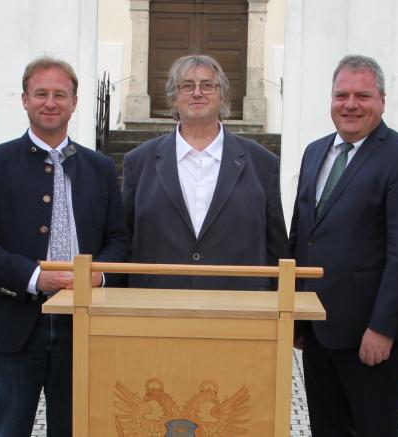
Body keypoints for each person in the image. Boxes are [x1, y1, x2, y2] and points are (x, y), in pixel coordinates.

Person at [0, 56, 129, 437]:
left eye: (60, 95)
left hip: (82, 325)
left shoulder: (99, 167)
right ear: (24, 100)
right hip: (13, 323)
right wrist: (36, 277)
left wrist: (96, 276)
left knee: (75, 429)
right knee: (7, 430)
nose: (50, 102)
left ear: (75, 102)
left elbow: (119, 239)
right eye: (41, 94)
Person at [289, 55, 398, 436]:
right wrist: (294, 312)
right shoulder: (314, 152)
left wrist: (382, 328)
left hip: (368, 334)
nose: (351, 104)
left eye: (362, 95)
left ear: (382, 101)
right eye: (342, 95)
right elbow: (302, 233)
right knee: (326, 428)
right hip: (318, 328)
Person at [121, 54, 287, 290]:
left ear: (222, 96)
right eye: (187, 86)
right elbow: (124, 240)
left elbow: (276, 247)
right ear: (174, 98)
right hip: (158, 309)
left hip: (240, 310)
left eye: (207, 85)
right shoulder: (139, 163)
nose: (197, 93)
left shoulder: (262, 164)